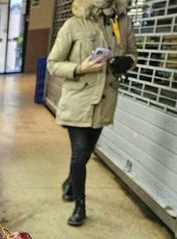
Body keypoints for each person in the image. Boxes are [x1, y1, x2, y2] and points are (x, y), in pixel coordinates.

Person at [47, 0, 137, 226]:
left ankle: (69, 182)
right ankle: (80, 206)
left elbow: (132, 53)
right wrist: (79, 68)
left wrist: (126, 62)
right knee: (79, 153)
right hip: (79, 100)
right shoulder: (74, 25)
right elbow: (53, 64)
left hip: (105, 100)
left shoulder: (123, 22)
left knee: (86, 152)